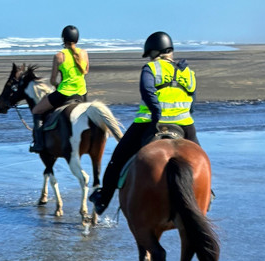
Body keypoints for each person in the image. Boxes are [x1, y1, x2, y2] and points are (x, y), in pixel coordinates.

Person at [89, 31, 199, 214]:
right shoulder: (188, 72)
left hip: (149, 123)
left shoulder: (152, 68)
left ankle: (103, 200)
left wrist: (157, 114)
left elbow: (147, 92)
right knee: (201, 160)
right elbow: (192, 102)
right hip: (185, 125)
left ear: (154, 52)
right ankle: (208, 194)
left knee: (117, 159)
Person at [30, 25, 90, 153]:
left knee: (36, 110)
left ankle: (39, 144)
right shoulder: (84, 53)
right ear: (77, 38)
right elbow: (86, 71)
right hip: (82, 94)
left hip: (64, 93)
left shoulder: (59, 56)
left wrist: (57, 86)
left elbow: (53, 80)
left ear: (63, 39)